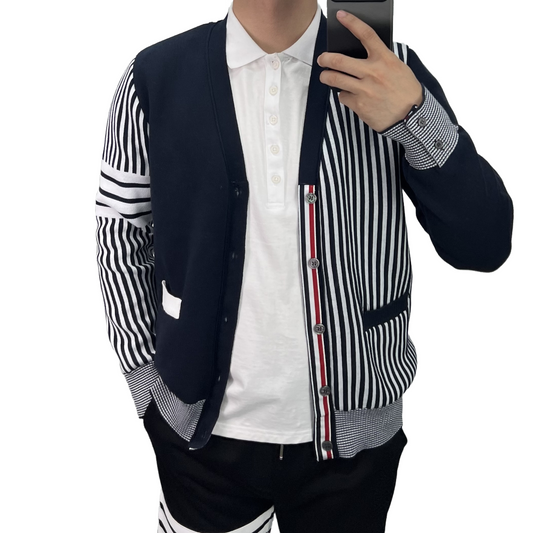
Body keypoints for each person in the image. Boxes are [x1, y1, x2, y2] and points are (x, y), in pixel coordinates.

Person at [94, 1, 513, 531]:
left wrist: (414, 117)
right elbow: (122, 232)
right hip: (198, 439)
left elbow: (484, 244)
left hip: (354, 446)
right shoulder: (155, 77)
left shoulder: (388, 70)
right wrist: (148, 386)